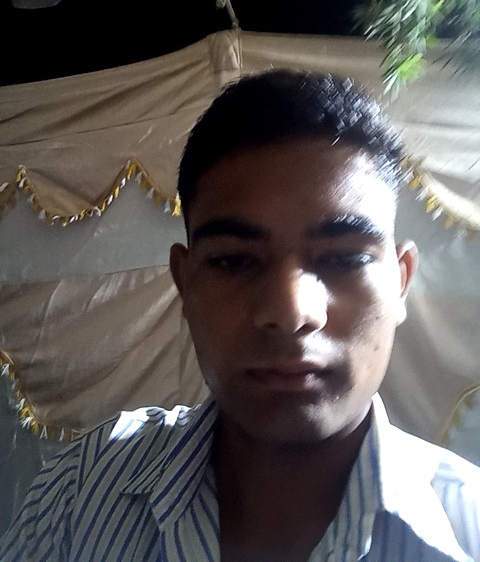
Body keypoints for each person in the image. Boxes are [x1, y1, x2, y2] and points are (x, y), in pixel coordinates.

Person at [1, 70, 479, 562]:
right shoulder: (81, 491)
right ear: (184, 283)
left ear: (400, 282)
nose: (290, 313)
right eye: (233, 261)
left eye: (344, 258)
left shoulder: (467, 530)